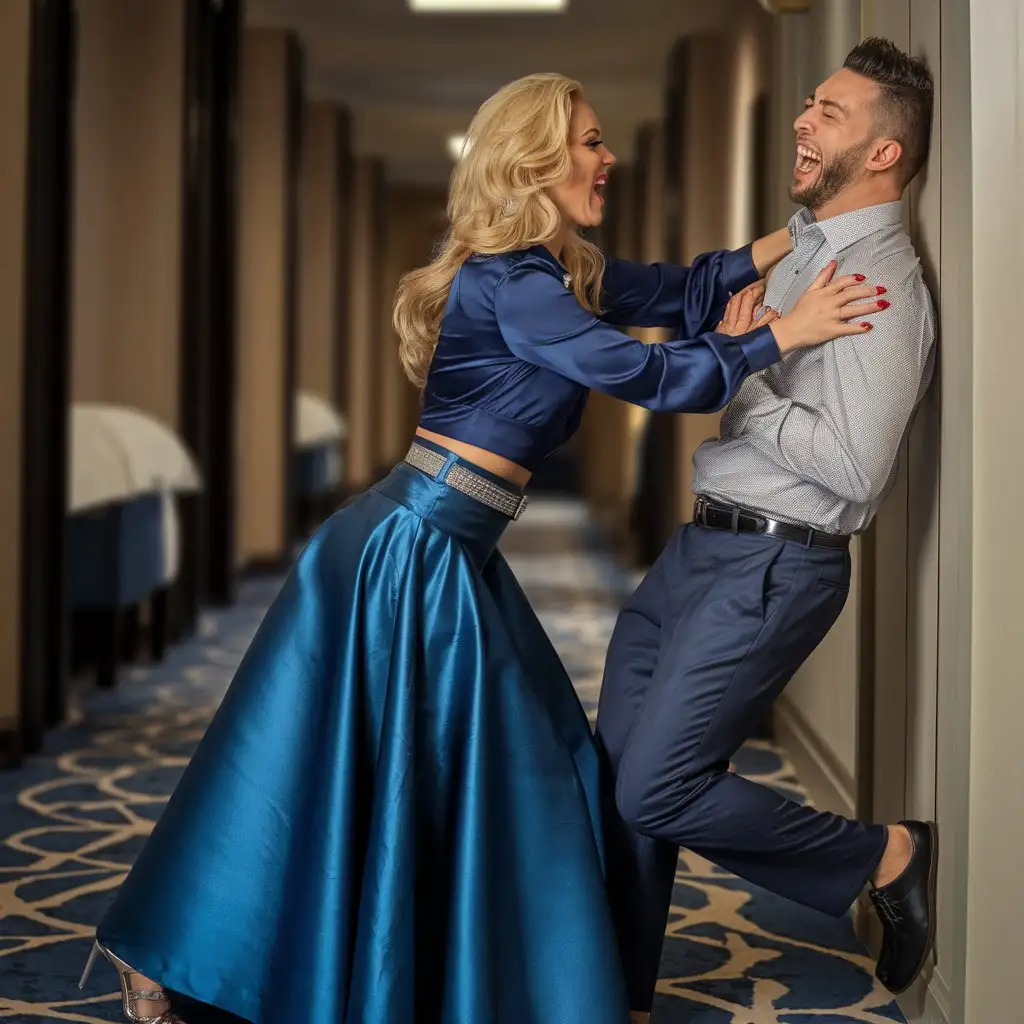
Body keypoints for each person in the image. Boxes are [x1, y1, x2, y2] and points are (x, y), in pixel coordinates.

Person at [77, 73, 884, 1024]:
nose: (607, 157)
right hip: (406, 551)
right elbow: (651, 374)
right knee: (320, 766)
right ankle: (158, 950)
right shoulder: (513, 284)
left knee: (466, 762)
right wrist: (781, 334)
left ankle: (512, 979)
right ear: (536, 161)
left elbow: (682, 289)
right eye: (589, 141)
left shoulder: (558, 269)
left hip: (450, 548)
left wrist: (805, 231)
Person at [595, 38, 936, 1023]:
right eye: (807, 104)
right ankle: (617, 995)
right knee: (620, 778)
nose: (801, 119)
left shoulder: (879, 285)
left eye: (828, 111)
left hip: (774, 564)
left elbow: (854, 473)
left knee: (653, 788)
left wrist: (743, 370)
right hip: (698, 548)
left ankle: (886, 855)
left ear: (882, 152)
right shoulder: (807, 252)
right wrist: (744, 352)